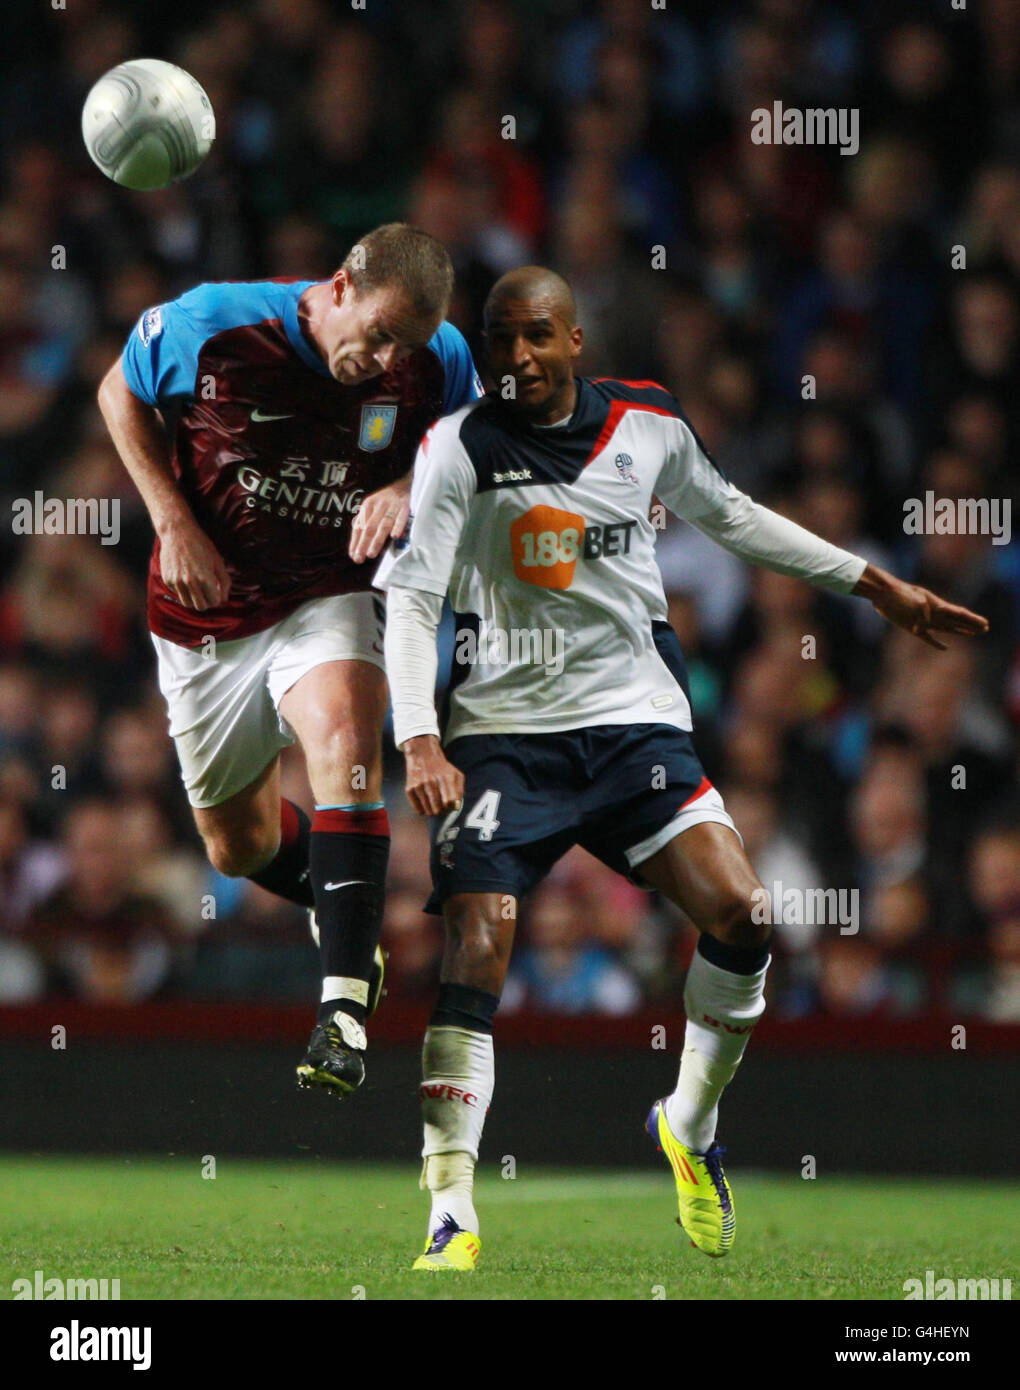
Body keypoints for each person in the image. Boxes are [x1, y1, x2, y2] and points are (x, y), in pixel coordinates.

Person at [376, 265, 988, 1270]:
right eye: (501, 341)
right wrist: (418, 735)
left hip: (632, 732)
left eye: (537, 336)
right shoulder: (460, 450)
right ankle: (451, 1209)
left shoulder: (649, 424)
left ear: (577, 342)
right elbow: (411, 601)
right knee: (477, 940)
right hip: (503, 736)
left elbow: (736, 517)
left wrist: (873, 583)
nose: (518, 357)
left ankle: (689, 1122)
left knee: (746, 915)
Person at [97, 223, 481, 1097]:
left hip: (328, 592)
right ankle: (350, 920)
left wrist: (406, 484)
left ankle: (341, 1011)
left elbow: (477, 436)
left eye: (405, 346)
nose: (387, 360)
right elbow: (118, 392)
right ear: (340, 285)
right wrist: (172, 520)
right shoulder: (212, 327)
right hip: (206, 609)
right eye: (378, 333)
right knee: (238, 845)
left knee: (347, 739)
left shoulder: (441, 357)